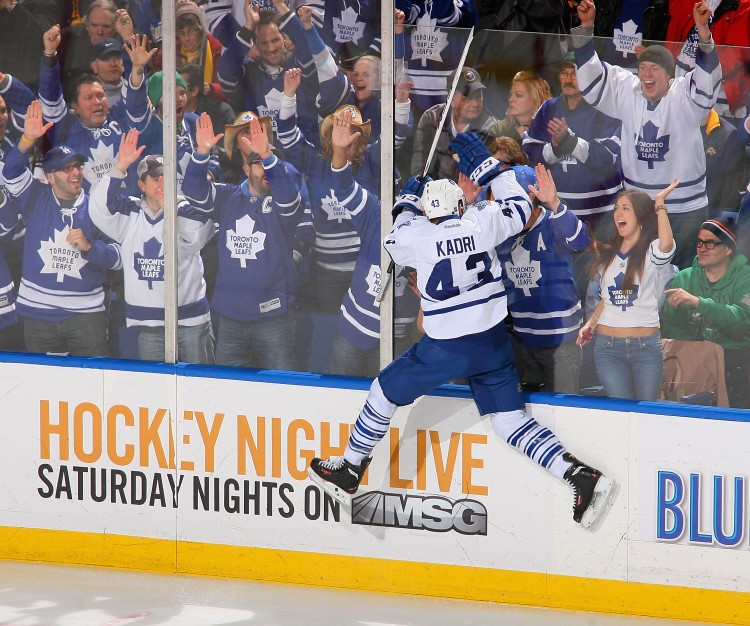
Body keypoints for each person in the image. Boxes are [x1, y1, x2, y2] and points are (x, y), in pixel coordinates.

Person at [308, 131, 615, 531]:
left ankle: (349, 469)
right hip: (493, 345)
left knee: (383, 391)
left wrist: (407, 201)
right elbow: (520, 206)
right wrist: (489, 171)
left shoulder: (418, 236)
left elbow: (395, 237)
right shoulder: (482, 221)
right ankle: (579, 475)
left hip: (447, 348)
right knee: (508, 421)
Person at [571, 0, 722, 269]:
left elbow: (707, 82)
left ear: (670, 74)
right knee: (641, 275)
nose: (647, 75)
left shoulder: (684, 94)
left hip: (684, 209)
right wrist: (586, 28)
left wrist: (703, 32)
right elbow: (593, 81)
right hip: (641, 208)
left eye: (655, 69)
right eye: (643, 68)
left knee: (684, 277)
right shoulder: (628, 90)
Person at [183, 113, 308, 369]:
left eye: (270, 164)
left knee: (280, 387)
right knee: (228, 392)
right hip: (229, 317)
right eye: (259, 164)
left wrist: (268, 157)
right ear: (246, 169)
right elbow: (194, 191)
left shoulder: (283, 204)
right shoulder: (228, 198)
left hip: (273, 318)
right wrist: (201, 153)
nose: (267, 171)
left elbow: (288, 197)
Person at [2, 101, 121, 356]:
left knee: (91, 385)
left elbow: (119, 257)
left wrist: (91, 248)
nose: (75, 172)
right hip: (37, 313)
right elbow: (11, 172)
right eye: (66, 169)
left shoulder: (95, 206)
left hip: (86, 316)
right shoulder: (35, 197)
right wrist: (27, 139)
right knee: (43, 388)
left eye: (77, 166)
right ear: (51, 176)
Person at [89, 129, 215, 363]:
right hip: (149, 325)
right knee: (156, 393)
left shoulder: (186, 209)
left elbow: (198, 235)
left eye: (166, 176)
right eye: (156, 178)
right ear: (141, 185)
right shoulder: (130, 213)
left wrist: (173, 206)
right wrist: (120, 166)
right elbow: (98, 209)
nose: (162, 182)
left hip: (191, 321)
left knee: (201, 389)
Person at [493, 164, 591, 394]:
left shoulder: (552, 222)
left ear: (530, 197)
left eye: (510, 201)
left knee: (565, 413)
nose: (505, 209)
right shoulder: (503, 232)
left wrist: (555, 203)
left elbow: (580, 241)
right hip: (522, 341)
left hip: (561, 344)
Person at [577, 181, 678, 401]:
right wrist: (590, 324)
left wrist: (659, 204)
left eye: (626, 208)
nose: (618, 213)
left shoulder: (652, 249)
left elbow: (667, 245)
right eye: (616, 208)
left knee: (646, 412)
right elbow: (606, 299)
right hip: (608, 347)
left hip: (646, 347)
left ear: (640, 216)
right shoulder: (607, 254)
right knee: (621, 413)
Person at [39, 25, 155, 193]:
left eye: (100, 96)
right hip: (86, 213)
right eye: (89, 98)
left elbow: (135, 98)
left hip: (127, 211)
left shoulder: (121, 118)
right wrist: (50, 56)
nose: (97, 102)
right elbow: (50, 98)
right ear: (76, 107)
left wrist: (137, 67)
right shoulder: (67, 129)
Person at [523, 54, 622, 243]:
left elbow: (606, 158)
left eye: (574, 74)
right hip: (556, 210)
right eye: (563, 74)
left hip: (600, 216)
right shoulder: (547, 109)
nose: (568, 80)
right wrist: (555, 148)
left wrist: (570, 141)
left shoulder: (606, 109)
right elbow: (531, 152)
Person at [660, 218, 750, 408]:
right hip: (698, 358)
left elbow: (743, 322)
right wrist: (699, 353)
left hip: (738, 356)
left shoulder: (745, 278)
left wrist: (699, 303)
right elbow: (673, 328)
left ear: (728, 249)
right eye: (699, 242)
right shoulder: (684, 279)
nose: (702, 248)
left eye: (710, 243)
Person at [411, 66, 499, 182]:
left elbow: (486, 180)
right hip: (433, 192)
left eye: (479, 97)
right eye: (467, 99)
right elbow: (419, 171)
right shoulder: (432, 118)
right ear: (451, 100)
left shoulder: (491, 128)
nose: (475, 104)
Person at [488, 71, 552, 143]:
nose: (511, 99)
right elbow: (491, 153)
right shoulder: (498, 130)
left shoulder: (551, 129)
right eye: (510, 95)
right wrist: (515, 137)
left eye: (518, 95)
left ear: (535, 99)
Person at [89, 37, 126, 107]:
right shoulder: (87, 98)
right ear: (94, 66)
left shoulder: (135, 90)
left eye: (116, 57)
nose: (113, 64)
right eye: (106, 58)